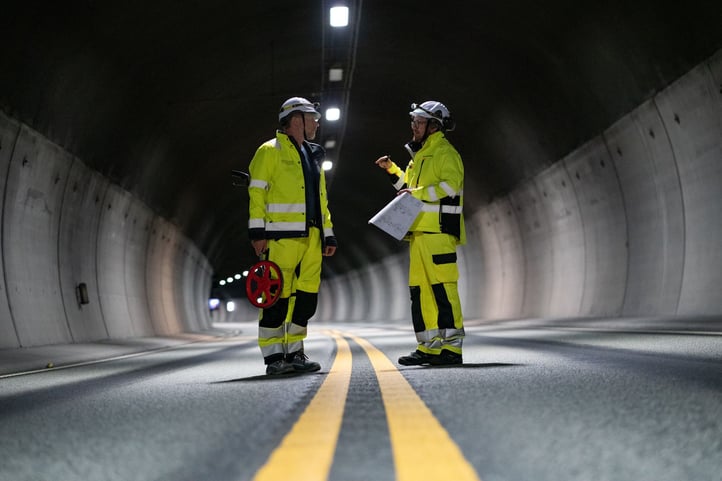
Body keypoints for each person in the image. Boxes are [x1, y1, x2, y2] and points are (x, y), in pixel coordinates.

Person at [247, 97, 337, 375]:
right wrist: (257, 231)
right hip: (280, 237)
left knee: (307, 297)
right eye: (313, 117)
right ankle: (274, 358)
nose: (317, 123)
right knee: (277, 296)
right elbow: (257, 192)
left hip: (311, 237)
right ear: (297, 119)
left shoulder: (312, 155)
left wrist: (328, 234)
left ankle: (295, 352)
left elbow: (321, 199)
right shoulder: (269, 151)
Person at [375, 100, 466, 366]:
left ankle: (452, 348)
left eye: (418, 122)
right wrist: (392, 170)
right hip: (418, 234)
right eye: (413, 121)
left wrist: (417, 193)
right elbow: (409, 188)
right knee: (421, 293)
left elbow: (450, 186)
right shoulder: (420, 156)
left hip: (438, 232)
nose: (413, 126)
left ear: (434, 126)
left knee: (443, 290)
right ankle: (428, 347)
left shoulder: (445, 153)